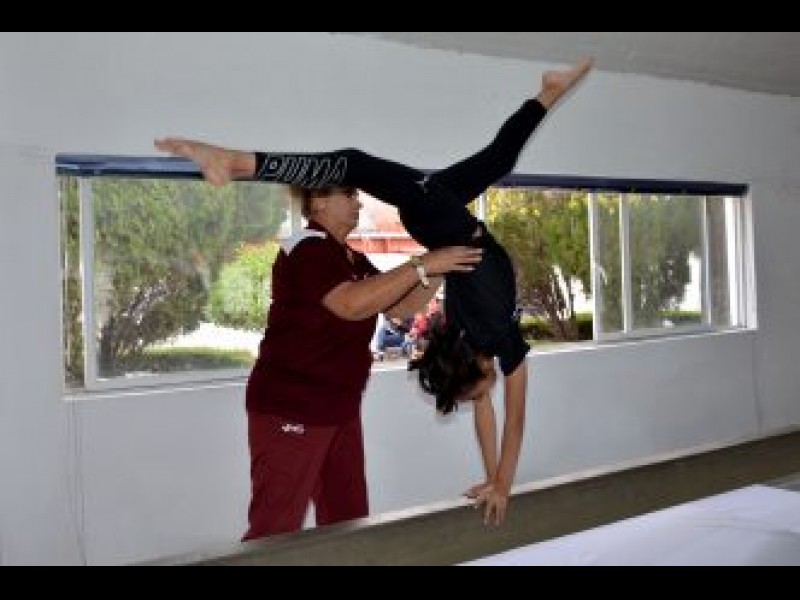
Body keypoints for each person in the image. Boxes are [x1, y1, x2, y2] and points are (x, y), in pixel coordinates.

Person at [155, 57, 593, 528]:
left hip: (427, 248)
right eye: (348, 195)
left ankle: (548, 92)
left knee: (495, 161)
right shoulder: (306, 248)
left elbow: (400, 307)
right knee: (356, 163)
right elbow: (350, 304)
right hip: (295, 404)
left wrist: (435, 268)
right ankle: (238, 163)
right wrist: (428, 263)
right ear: (319, 200)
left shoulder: (370, 270)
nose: (359, 202)